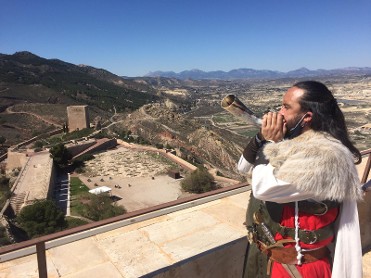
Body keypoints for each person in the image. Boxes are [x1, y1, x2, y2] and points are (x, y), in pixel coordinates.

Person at [237, 81, 363, 278]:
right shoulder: (294, 145)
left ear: (307, 117)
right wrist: (260, 138)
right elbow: (243, 167)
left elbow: (262, 187)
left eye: (286, 107)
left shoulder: (326, 156)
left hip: (298, 270)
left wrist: (270, 142)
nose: (279, 113)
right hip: (265, 260)